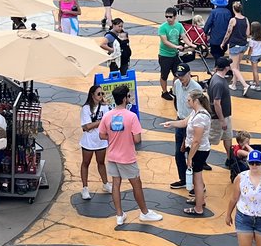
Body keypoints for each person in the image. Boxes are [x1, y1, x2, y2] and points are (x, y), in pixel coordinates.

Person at [102, 84, 164, 228]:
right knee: (136, 184)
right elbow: (137, 139)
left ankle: (119, 215)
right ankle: (144, 212)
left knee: (116, 184)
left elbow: (101, 135)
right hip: (127, 157)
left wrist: (114, 137)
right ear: (125, 99)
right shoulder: (131, 116)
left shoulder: (107, 116)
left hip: (112, 156)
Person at [164, 89, 212, 215]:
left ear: (196, 101)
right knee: (197, 177)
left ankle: (198, 208)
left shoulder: (200, 117)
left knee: (197, 179)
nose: (187, 102)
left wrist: (190, 158)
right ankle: (199, 200)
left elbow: (196, 141)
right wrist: (172, 123)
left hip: (199, 151)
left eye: (189, 100)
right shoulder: (195, 112)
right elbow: (184, 122)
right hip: (196, 150)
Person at [167, 64, 197, 190]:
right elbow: (176, 98)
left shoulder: (196, 88)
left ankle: (197, 183)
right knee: (178, 153)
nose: (180, 78)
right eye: (179, 76)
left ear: (189, 73)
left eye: (183, 76)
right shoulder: (177, 84)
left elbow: (199, 107)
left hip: (191, 124)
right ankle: (184, 179)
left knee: (192, 155)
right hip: (180, 120)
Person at [78, 84, 109, 202]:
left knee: (101, 162)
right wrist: (101, 122)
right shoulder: (86, 109)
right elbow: (86, 127)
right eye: (98, 94)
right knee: (86, 163)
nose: (101, 96)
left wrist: (95, 124)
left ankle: (106, 184)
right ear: (92, 95)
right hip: (88, 141)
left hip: (100, 140)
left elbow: (106, 123)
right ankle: (85, 188)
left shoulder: (105, 107)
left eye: (102, 93)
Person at [208, 55, 235, 154]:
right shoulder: (218, 83)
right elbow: (216, 103)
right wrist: (222, 120)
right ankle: (200, 158)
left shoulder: (217, 77)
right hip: (218, 118)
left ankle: (230, 158)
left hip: (225, 116)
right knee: (210, 139)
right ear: (226, 68)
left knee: (228, 136)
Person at [157, 7, 183, 101]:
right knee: (164, 75)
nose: (168, 19)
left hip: (174, 55)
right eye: (166, 17)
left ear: (175, 17)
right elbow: (165, 41)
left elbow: (184, 36)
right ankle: (164, 92)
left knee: (178, 74)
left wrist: (192, 44)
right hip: (165, 55)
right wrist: (176, 47)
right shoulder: (162, 27)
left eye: (170, 17)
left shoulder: (179, 26)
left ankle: (174, 90)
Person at [245, 21, 261, 90]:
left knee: (255, 70)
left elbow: (251, 50)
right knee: (255, 70)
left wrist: (248, 57)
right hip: (260, 54)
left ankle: (257, 85)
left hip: (254, 55)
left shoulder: (252, 40)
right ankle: (254, 81)